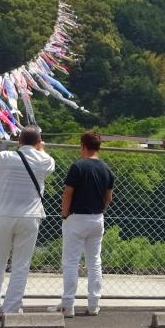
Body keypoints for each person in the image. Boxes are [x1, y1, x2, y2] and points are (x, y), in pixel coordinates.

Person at [0, 126, 54, 316]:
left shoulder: (5, 158)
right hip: (30, 217)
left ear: (18, 142)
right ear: (38, 143)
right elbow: (47, 159)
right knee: (21, 265)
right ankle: (11, 307)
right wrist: (40, 147)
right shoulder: (45, 160)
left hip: (3, 214)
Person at [52, 131, 114, 317]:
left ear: (83, 146)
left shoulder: (78, 167)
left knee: (71, 262)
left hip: (76, 218)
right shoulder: (106, 169)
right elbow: (108, 197)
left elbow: (68, 193)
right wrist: (101, 209)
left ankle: (68, 304)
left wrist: (65, 213)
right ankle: (94, 303)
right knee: (94, 262)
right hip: (97, 218)